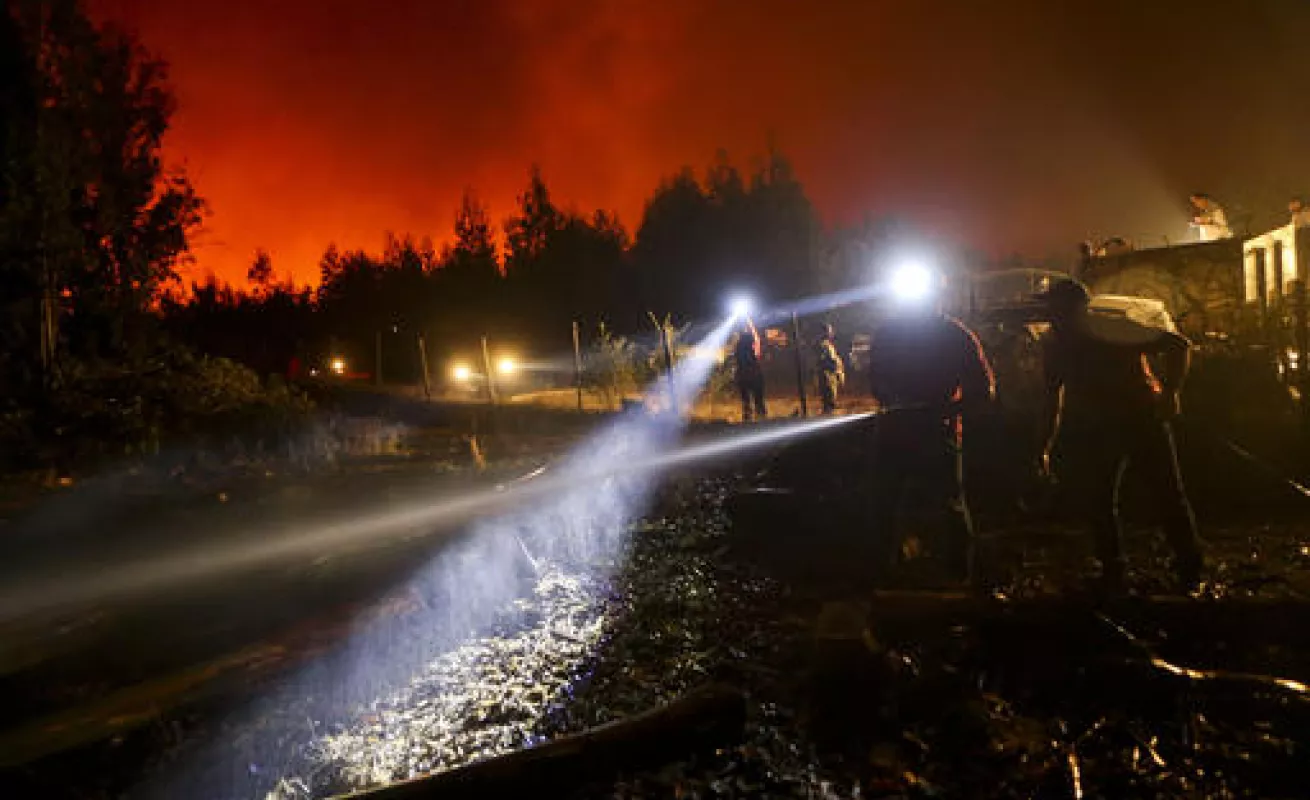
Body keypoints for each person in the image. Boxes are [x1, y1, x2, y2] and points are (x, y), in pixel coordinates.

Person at [1038, 278, 1203, 594]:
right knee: (1101, 499)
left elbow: (1178, 344)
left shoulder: (1108, 329)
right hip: (1104, 426)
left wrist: (1171, 393)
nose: (1050, 314)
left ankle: (1186, 567)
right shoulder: (1056, 344)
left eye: (1054, 307)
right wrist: (1043, 445)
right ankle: (1117, 569)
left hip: (1139, 419)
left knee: (1164, 493)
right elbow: (1050, 398)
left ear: (1074, 310)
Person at [866, 278, 995, 586]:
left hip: (927, 432)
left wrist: (939, 411)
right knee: (908, 503)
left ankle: (948, 575)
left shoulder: (902, 333)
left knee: (905, 502)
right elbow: (876, 382)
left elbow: (983, 391)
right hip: (921, 431)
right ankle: (948, 575)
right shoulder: (950, 334)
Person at [733, 317, 767, 422]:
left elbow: (755, 339)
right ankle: (760, 415)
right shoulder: (753, 351)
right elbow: (757, 339)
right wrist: (750, 321)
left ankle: (747, 416)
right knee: (758, 398)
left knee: (746, 399)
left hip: (743, 376)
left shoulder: (739, 349)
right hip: (754, 375)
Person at [816, 324, 845, 414]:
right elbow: (822, 360)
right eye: (829, 331)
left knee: (831, 399)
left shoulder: (828, 344)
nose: (831, 333)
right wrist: (835, 368)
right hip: (828, 375)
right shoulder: (823, 345)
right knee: (829, 399)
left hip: (830, 375)